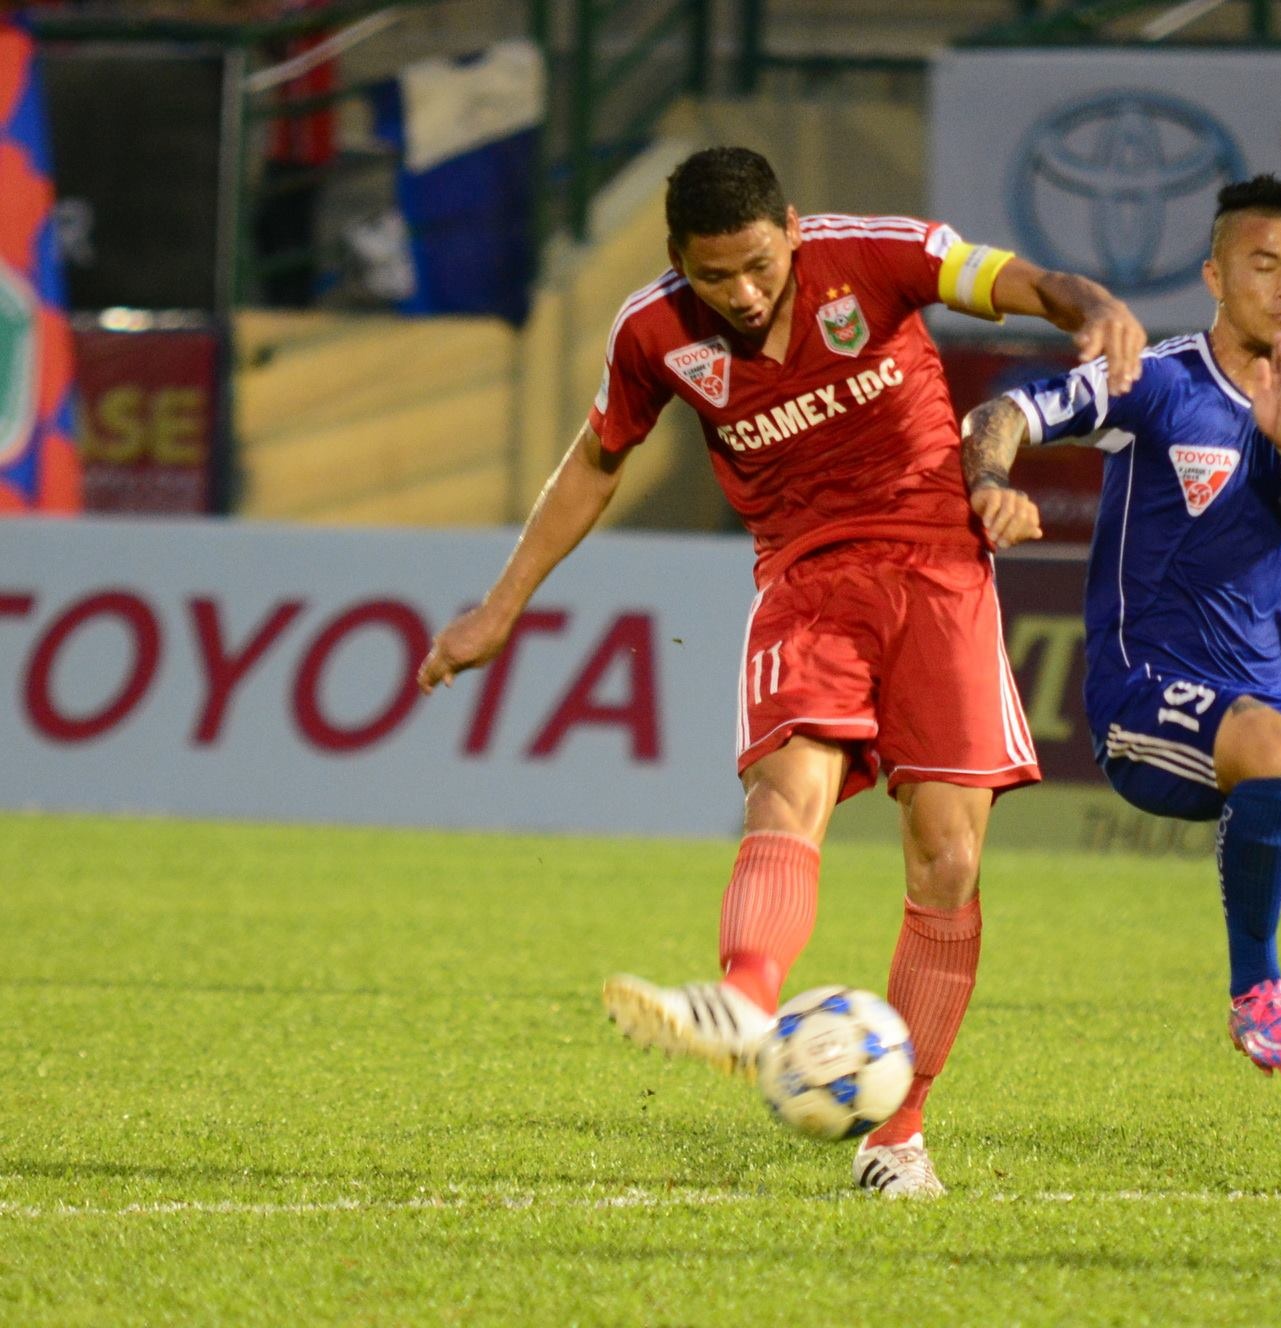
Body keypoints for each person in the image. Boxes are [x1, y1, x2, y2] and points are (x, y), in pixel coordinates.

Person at [416, 147, 1146, 1198]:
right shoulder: (652, 333)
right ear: (680, 262)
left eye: (759, 265)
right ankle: (744, 998)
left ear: (793, 229)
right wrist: (500, 603)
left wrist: (1088, 304)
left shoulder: (874, 255)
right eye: (716, 276)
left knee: (945, 857)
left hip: (938, 565)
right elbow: (596, 461)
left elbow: (1010, 279)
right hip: (805, 575)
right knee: (787, 787)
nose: (744, 294)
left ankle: (899, 1134)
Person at [961, 176, 1281, 1200]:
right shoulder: (1157, 379)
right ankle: (1254, 984)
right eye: (1265, 265)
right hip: (1146, 693)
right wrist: (990, 481)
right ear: (1218, 274)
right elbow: (1003, 409)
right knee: (1269, 742)